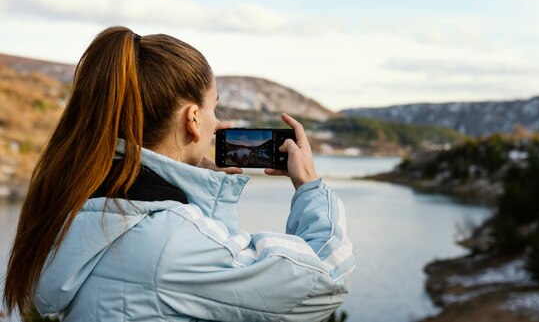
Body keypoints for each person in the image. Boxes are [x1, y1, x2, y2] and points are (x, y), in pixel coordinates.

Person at [3, 27, 355, 322]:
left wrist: (201, 186)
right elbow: (324, 282)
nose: (218, 121)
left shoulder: (91, 198)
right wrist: (309, 185)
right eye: (213, 107)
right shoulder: (166, 239)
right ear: (193, 119)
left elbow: (207, 268)